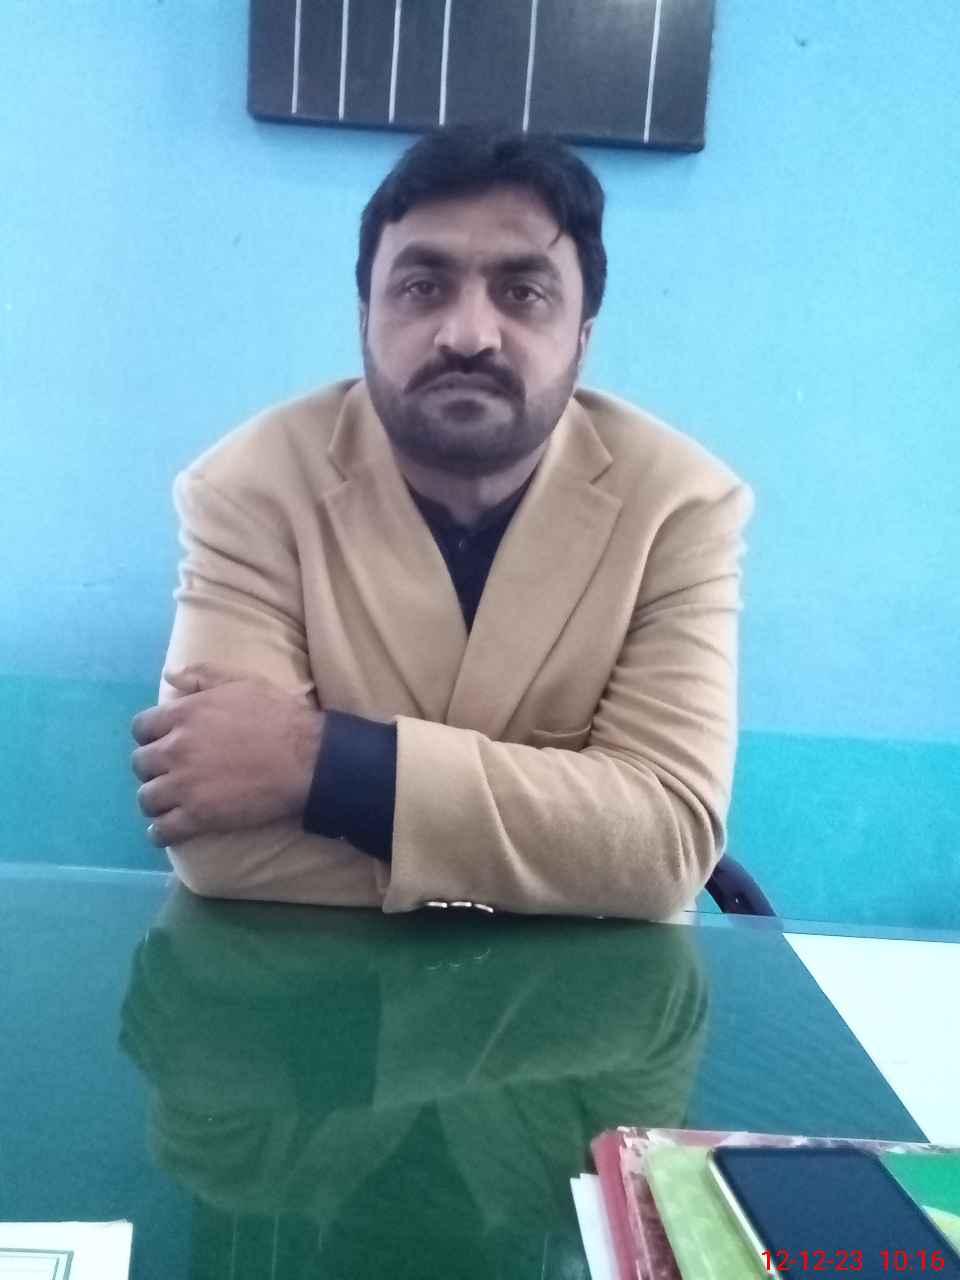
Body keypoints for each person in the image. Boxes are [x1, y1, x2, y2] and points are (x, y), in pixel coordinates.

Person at [129, 124, 754, 920]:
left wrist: (320, 761)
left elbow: (664, 844)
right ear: (365, 321)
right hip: (316, 985)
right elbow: (219, 844)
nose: (468, 335)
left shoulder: (680, 507)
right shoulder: (249, 489)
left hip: (589, 998)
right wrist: (568, 858)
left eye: (522, 293)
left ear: (583, 339)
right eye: (423, 287)